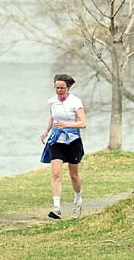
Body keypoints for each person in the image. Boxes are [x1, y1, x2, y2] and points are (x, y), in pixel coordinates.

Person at [39, 74, 86, 219]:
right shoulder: (52, 102)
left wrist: (67, 124)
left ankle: (78, 199)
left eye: (62, 88)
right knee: (56, 173)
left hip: (73, 140)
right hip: (56, 140)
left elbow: (83, 123)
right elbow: (53, 117)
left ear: (68, 88)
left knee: (73, 174)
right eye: (57, 88)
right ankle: (57, 207)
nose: (59, 91)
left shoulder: (75, 102)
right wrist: (46, 131)